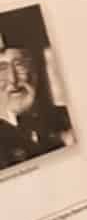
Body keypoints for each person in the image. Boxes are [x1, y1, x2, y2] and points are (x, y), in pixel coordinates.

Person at [0, 33, 72, 173]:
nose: (13, 80)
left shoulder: (67, 119)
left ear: (36, 69)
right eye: (1, 70)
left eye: (20, 65)